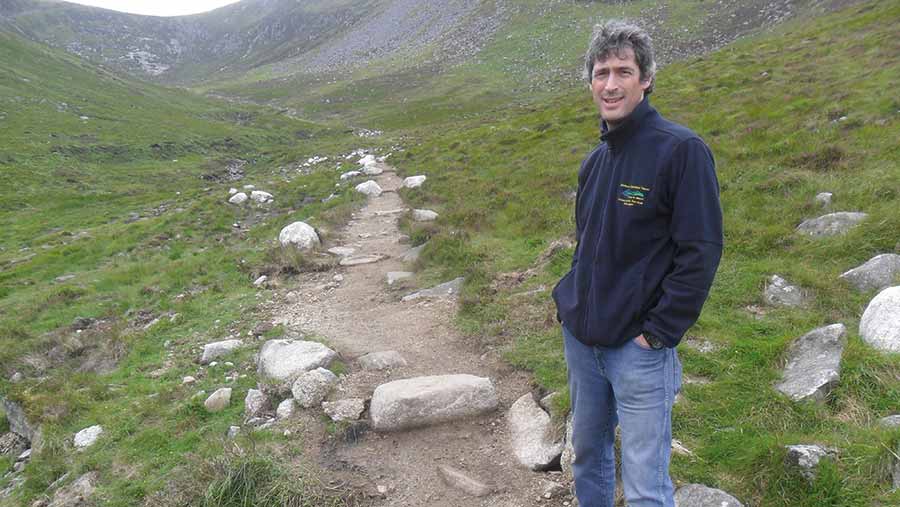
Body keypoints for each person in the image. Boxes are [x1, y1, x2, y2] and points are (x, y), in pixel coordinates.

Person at [551, 21, 723, 507]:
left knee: (647, 484)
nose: (610, 84)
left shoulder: (681, 151)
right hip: (583, 342)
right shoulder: (596, 162)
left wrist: (659, 332)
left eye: (623, 71)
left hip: (639, 350)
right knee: (588, 458)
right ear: (590, 82)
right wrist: (572, 304)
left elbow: (702, 249)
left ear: (645, 79)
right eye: (601, 72)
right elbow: (586, 245)